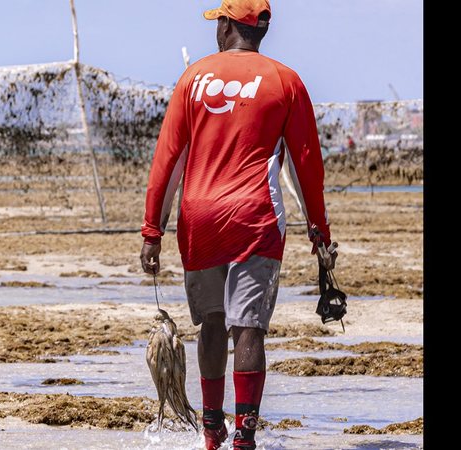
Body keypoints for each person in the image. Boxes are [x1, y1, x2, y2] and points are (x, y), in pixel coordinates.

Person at [138, 1, 337, 449]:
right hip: (255, 218)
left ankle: (212, 434)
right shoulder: (286, 81)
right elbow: (307, 167)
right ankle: (243, 438)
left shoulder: (194, 78)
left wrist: (153, 230)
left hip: (200, 218)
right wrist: (318, 233)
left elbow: (168, 160)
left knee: (211, 324)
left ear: (227, 24)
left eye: (218, 22)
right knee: (248, 328)